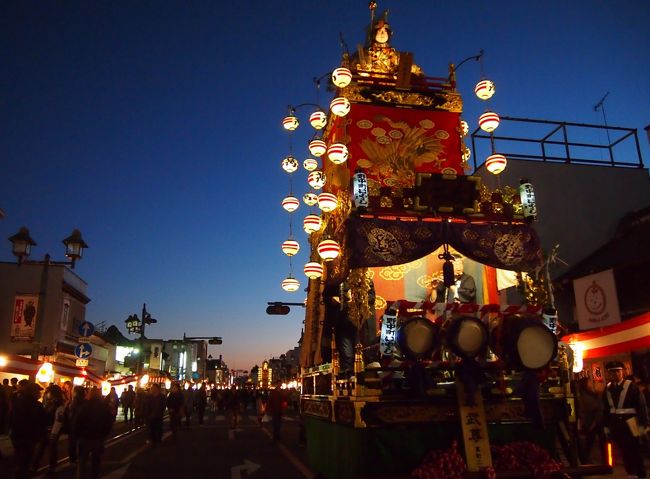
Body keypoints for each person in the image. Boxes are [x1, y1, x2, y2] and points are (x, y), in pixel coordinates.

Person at [603, 361, 648, 479]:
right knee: (624, 451)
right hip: (616, 425)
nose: (615, 374)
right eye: (612, 372)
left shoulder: (632, 386)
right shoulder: (608, 388)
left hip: (631, 423)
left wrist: (644, 424)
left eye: (618, 371)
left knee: (635, 451)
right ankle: (631, 474)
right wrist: (606, 426)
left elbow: (641, 406)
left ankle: (641, 474)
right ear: (609, 374)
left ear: (623, 372)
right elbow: (606, 409)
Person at [9, 380, 47, 479]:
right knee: (25, 462)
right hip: (29, 437)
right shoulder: (37, 405)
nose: (40, 393)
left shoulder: (18, 401)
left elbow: (10, 417)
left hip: (16, 435)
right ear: (33, 392)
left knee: (19, 459)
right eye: (38, 391)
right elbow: (41, 422)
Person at [73, 387, 114, 479]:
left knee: (82, 462)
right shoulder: (104, 407)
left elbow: (77, 421)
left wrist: (77, 434)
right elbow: (108, 423)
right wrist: (104, 435)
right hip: (98, 438)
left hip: (84, 437)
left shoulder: (84, 406)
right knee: (96, 462)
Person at [577, 376, 605, 464]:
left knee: (597, 441)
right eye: (589, 382)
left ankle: (604, 459)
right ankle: (585, 460)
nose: (591, 384)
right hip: (591, 422)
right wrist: (599, 394)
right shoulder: (584, 396)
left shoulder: (591, 393)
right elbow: (594, 407)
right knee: (589, 442)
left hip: (596, 421)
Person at [66, 386, 86, 465]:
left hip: (73, 426)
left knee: (72, 444)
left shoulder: (71, 403)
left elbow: (68, 415)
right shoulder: (85, 403)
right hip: (82, 427)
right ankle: (80, 459)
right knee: (81, 444)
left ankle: (72, 459)